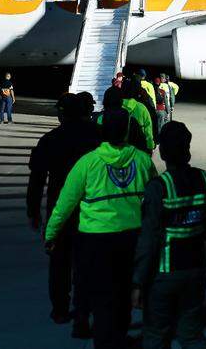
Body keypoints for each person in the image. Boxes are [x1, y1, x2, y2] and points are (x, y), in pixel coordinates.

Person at [45, 109, 156, 346]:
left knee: (101, 295)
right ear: (127, 130)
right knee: (125, 291)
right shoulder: (143, 161)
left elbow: (64, 204)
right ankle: (119, 334)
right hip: (131, 237)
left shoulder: (87, 163)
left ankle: (105, 340)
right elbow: (154, 200)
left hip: (95, 240)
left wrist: (51, 233)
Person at [133, 121, 206, 349]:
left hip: (165, 273)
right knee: (192, 335)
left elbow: (148, 240)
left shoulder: (159, 187)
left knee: (156, 335)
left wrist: (138, 282)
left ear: (163, 151)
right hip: (195, 270)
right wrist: (202, 264)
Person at [28, 94, 103, 326]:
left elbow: (37, 179)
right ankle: (83, 312)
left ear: (61, 114)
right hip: (92, 211)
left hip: (60, 212)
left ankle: (60, 309)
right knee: (87, 264)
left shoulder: (50, 139)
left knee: (59, 263)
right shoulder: (99, 136)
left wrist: (33, 211)